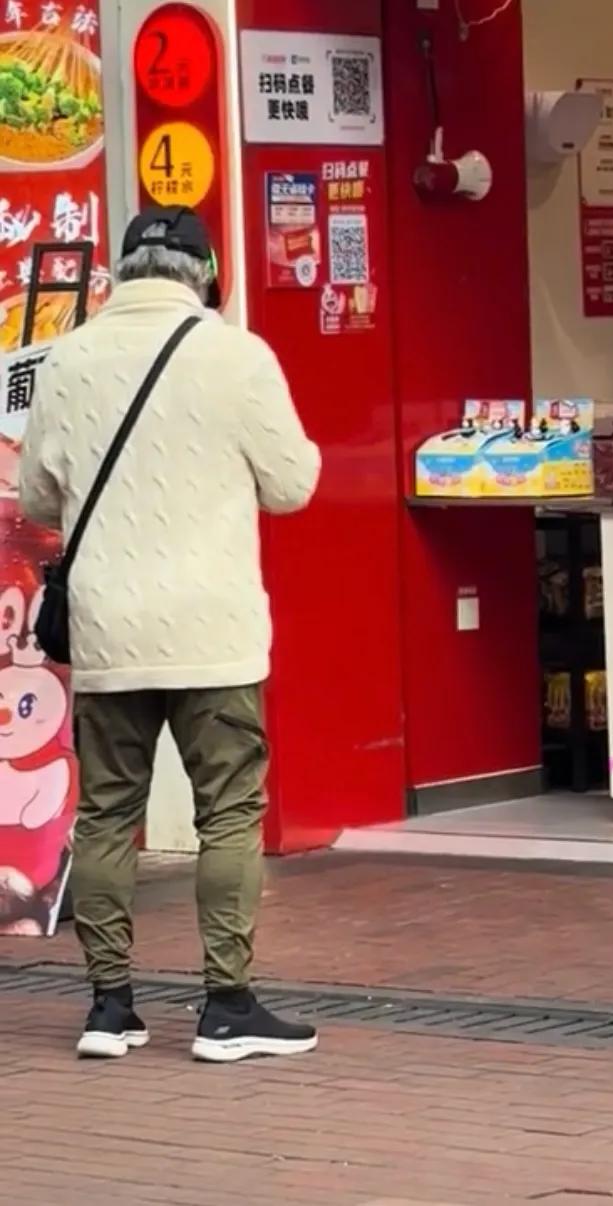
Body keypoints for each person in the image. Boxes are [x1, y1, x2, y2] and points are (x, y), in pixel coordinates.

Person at [19, 205, 322, 1063]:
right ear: (205, 275)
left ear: (120, 273)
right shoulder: (238, 356)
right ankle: (227, 1007)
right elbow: (293, 483)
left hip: (109, 628)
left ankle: (109, 1009)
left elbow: (41, 498)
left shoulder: (68, 359)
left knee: (110, 813)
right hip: (212, 628)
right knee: (230, 809)